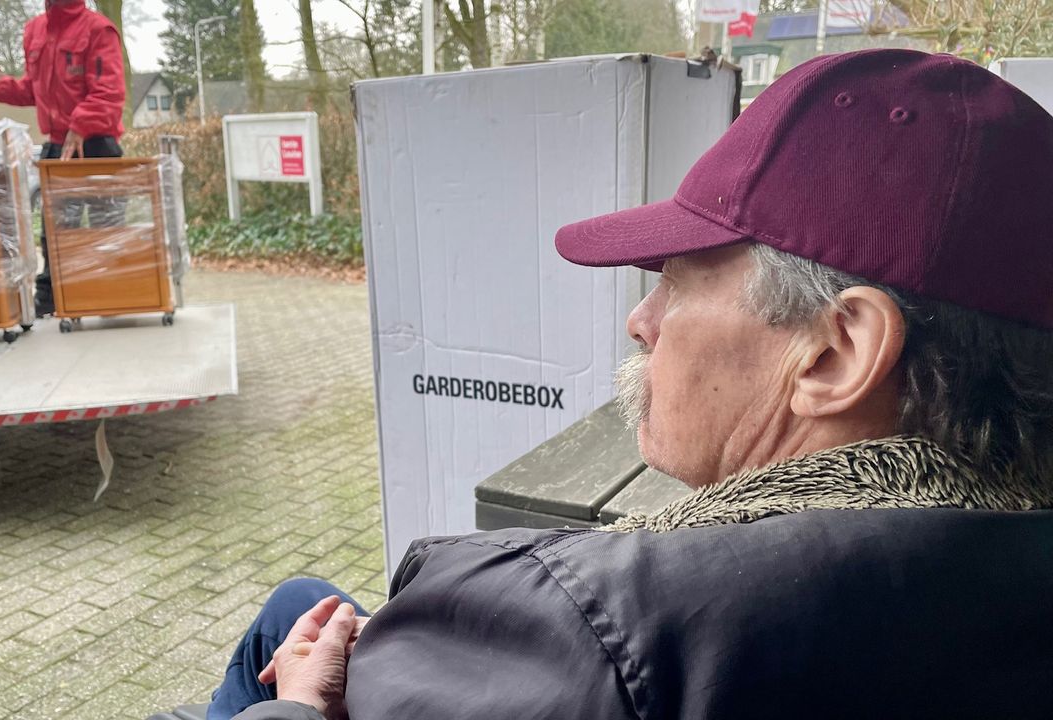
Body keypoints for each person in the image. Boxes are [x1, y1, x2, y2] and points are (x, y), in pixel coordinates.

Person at [170, 49, 1053, 720]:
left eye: (676, 276)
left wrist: (292, 708)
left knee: (294, 619)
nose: (642, 319)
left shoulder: (594, 631)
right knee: (301, 606)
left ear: (834, 354)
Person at [0, 0, 126, 316]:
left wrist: (81, 124)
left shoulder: (98, 30)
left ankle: (111, 297)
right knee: (56, 232)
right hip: (58, 146)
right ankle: (52, 300)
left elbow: (110, 91)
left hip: (96, 146)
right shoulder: (35, 30)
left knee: (105, 228)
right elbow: (33, 89)